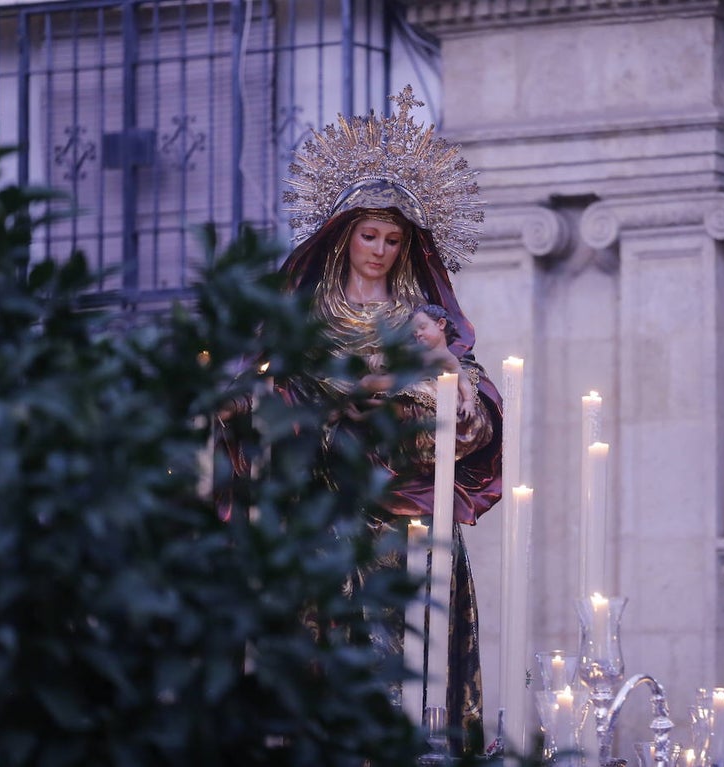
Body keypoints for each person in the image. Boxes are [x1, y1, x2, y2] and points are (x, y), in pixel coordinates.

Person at [268, 86, 502, 752]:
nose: (379, 248)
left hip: (413, 526)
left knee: (418, 672)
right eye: (368, 234)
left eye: (393, 239)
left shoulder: (427, 326)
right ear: (343, 237)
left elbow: (474, 424)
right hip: (330, 520)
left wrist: (454, 388)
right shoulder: (308, 321)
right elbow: (279, 402)